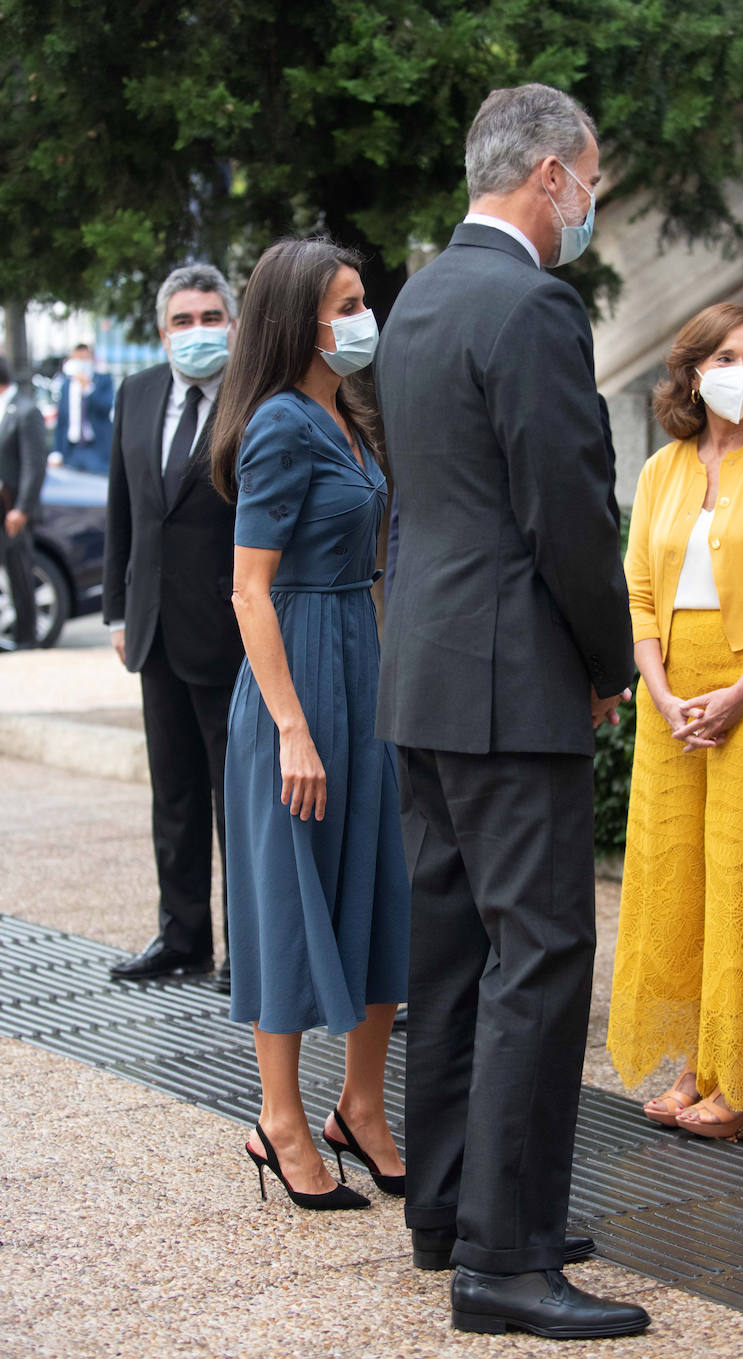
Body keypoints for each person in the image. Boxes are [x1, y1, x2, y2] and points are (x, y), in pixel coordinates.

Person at [374, 84, 649, 1341]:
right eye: (590, 177)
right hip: (509, 687)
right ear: (549, 174)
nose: (592, 200)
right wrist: (609, 663)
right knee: (536, 960)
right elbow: (569, 515)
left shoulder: (419, 297)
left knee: (452, 957)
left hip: (425, 680)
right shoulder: (533, 304)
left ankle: (450, 1208)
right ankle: (506, 1257)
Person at [210, 236, 409, 1212]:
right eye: (344, 304)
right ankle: (278, 1120)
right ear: (299, 317)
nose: (360, 318)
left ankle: (360, 1106)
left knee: (378, 884)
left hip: (359, 667)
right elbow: (249, 592)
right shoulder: (281, 427)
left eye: (361, 300)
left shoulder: (348, 416)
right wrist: (291, 726)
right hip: (296, 673)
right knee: (287, 899)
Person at [607, 302, 743, 1140]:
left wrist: (736, 697)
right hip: (673, 698)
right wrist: (661, 694)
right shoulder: (664, 468)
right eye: (729, 355)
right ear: (693, 370)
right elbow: (637, 593)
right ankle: (703, 1062)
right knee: (680, 880)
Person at [103, 264, 244, 992]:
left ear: (233, 321)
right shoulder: (137, 394)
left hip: (229, 631)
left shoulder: (253, 401)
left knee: (236, 799)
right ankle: (182, 937)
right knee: (176, 794)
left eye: (210, 317)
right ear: (162, 333)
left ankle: (242, 952)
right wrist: (118, 609)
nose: (197, 333)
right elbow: (124, 510)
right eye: (183, 322)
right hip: (154, 627)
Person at [0, 357, 47, 650]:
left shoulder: (26, 410)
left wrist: (23, 508)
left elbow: (34, 464)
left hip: (14, 506)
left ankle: (26, 636)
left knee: (20, 571)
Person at [53, 344, 114, 474]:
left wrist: (87, 388)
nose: (80, 362)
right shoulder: (66, 385)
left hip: (96, 447)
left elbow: (105, 408)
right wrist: (57, 451)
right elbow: (62, 420)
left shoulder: (103, 380)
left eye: (84, 358)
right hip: (71, 448)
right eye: (77, 358)